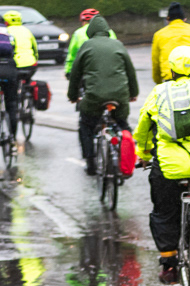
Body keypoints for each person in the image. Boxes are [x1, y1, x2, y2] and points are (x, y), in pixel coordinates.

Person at [135, 46, 190, 284]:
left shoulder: (159, 92)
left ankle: (169, 264)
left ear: (172, 69)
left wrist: (143, 154)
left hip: (169, 167)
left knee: (164, 211)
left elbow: (144, 128)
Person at [68, 15, 140, 174]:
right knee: (123, 124)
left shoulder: (86, 46)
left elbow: (75, 74)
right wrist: (133, 93)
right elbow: (130, 72)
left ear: (90, 31)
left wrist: (73, 96)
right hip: (119, 97)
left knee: (86, 126)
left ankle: (90, 163)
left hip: (94, 97)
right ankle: (127, 159)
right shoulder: (118, 45)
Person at [150, 2, 190, 84]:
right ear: (184, 19)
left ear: (168, 19)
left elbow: (156, 62)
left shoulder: (159, 35)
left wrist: (158, 82)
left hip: (170, 78)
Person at [64, 9, 116, 79]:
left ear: (83, 22)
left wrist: (68, 70)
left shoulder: (78, 33)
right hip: (108, 69)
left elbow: (72, 54)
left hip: (87, 70)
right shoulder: (110, 31)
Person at [4, 10, 39, 92]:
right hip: (30, 64)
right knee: (27, 80)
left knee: (11, 85)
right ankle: (28, 92)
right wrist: (35, 60)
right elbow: (35, 48)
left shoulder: (5, 32)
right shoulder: (26, 31)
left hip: (12, 65)